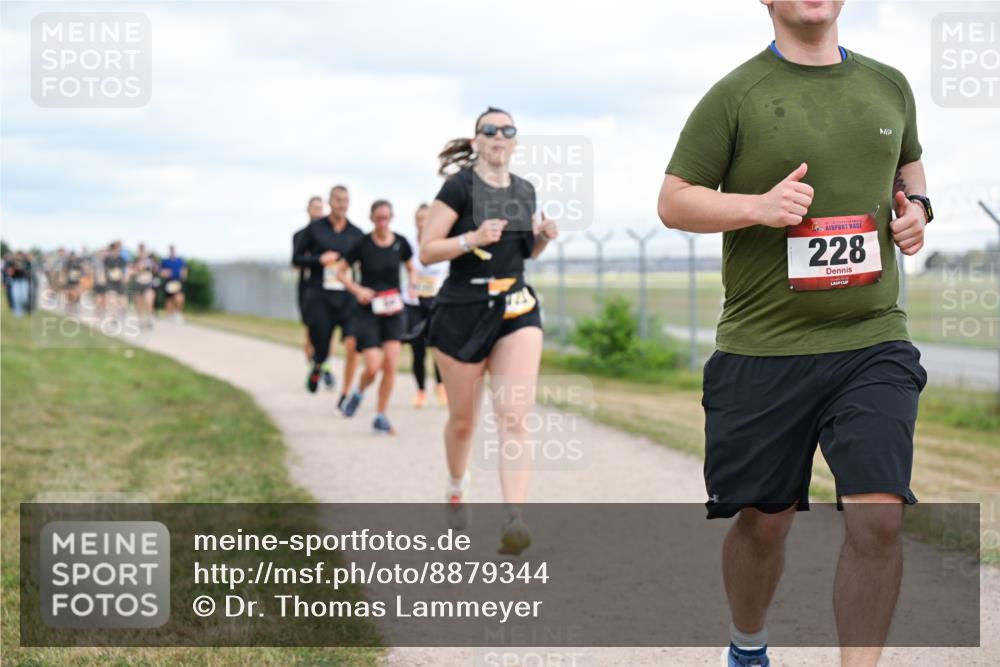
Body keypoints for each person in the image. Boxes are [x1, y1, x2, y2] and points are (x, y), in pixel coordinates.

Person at [656, 2, 931, 665]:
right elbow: (673, 200)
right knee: (763, 521)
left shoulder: (888, 83)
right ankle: (748, 644)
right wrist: (756, 207)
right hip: (764, 351)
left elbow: (910, 167)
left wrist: (918, 210)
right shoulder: (735, 95)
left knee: (879, 517)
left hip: (873, 340)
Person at [420, 107, 558, 555]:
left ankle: (513, 518)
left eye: (508, 130)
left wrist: (541, 238)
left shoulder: (524, 190)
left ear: (515, 142)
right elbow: (427, 252)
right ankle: (457, 486)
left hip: (515, 305)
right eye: (490, 130)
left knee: (514, 416)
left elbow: (525, 255)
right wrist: (471, 239)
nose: (500, 136)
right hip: (462, 306)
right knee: (464, 421)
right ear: (476, 139)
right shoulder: (459, 187)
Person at [338, 200, 417, 434]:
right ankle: (358, 393)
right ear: (372, 218)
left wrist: (411, 286)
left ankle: (381, 415)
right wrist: (357, 290)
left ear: (391, 217)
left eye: (386, 218)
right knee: (373, 368)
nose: (383, 222)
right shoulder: (362, 244)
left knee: (391, 364)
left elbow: (411, 268)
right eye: (378, 218)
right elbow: (340, 272)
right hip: (368, 312)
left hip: (393, 311)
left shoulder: (401, 243)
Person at [293, 186, 363, 405]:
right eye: (337, 200)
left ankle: (345, 392)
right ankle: (317, 365)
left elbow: (364, 264)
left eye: (345, 201)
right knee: (320, 344)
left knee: (353, 343)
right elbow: (295, 259)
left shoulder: (356, 233)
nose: (341, 205)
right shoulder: (314, 230)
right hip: (320, 295)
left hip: (347, 296)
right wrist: (319, 259)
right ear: (330, 202)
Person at [402, 203, 449, 408]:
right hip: (413, 302)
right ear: (415, 221)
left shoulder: (443, 242)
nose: (423, 223)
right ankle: (420, 390)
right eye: (419, 218)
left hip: (436, 302)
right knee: (417, 349)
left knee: (438, 347)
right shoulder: (408, 245)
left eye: (426, 218)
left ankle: (440, 386)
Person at [294, 196, 338, 387]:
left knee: (330, 328)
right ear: (308, 210)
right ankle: (314, 365)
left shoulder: (329, 233)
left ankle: (325, 365)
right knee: (311, 329)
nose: (318, 212)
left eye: (321, 208)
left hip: (330, 286)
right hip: (308, 286)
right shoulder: (300, 235)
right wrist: (317, 259)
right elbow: (296, 263)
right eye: (315, 208)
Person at [130, 243, 158, 329]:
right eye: (140, 250)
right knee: (139, 304)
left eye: (143, 250)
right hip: (138, 284)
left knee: (148, 301)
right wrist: (138, 269)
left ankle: (150, 319)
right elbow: (131, 272)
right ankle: (140, 320)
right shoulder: (135, 260)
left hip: (148, 284)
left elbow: (156, 270)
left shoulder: (150, 260)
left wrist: (153, 265)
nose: (142, 252)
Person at [159, 245, 188, 323]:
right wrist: (164, 273)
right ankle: (169, 315)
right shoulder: (165, 261)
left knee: (179, 297)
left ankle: (177, 313)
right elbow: (161, 272)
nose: (172, 251)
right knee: (169, 299)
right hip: (169, 281)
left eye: (173, 250)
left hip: (178, 281)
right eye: (171, 250)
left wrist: (183, 278)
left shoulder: (180, 260)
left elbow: (184, 270)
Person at [103, 241, 129, 321]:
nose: (116, 250)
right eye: (114, 249)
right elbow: (105, 270)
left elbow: (126, 270)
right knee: (112, 299)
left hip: (120, 282)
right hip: (111, 282)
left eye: (118, 249)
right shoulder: (107, 259)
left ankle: (123, 311)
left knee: (122, 299)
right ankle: (114, 317)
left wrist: (125, 277)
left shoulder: (122, 259)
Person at [5, 251, 32, 317]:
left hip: (24, 281)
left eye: (20, 256)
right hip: (15, 281)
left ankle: (23, 309)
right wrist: (13, 269)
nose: (19, 257)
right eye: (18, 256)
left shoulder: (26, 262)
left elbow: (29, 272)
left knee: (24, 297)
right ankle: (17, 312)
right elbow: (9, 273)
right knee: (16, 297)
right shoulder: (12, 263)